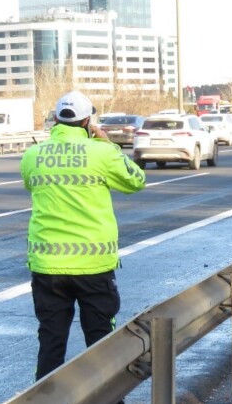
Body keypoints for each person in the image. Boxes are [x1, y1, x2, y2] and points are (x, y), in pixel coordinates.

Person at [20, 91, 146, 387]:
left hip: (47, 265)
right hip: (93, 266)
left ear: (55, 119)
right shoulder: (101, 153)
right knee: (102, 343)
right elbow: (136, 180)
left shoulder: (33, 155)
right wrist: (107, 144)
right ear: (88, 121)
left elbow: (29, 183)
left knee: (50, 342)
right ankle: (108, 400)